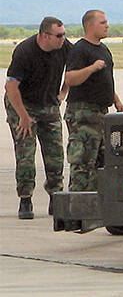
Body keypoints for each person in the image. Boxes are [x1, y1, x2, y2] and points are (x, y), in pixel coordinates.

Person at [4, 17, 71, 219]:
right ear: (44, 36)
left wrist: (63, 92)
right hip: (22, 104)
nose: (63, 39)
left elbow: (74, 69)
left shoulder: (65, 47)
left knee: (55, 153)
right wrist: (23, 117)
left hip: (48, 103)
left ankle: (55, 196)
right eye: (58, 36)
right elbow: (11, 87)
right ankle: (25, 199)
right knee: (26, 153)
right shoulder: (25, 51)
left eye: (64, 34)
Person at [64, 10, 123, 191]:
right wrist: (91, 68)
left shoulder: (103, 49)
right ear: (90, 25)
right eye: (102, 23)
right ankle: (77, 208)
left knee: (101, 162)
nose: (107, 26)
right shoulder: (80, 49)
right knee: (83, 162)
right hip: (83, 114)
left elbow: (106, 79)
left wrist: (116, 100)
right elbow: (70, 79)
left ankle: (95, 205)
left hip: (101, 113)